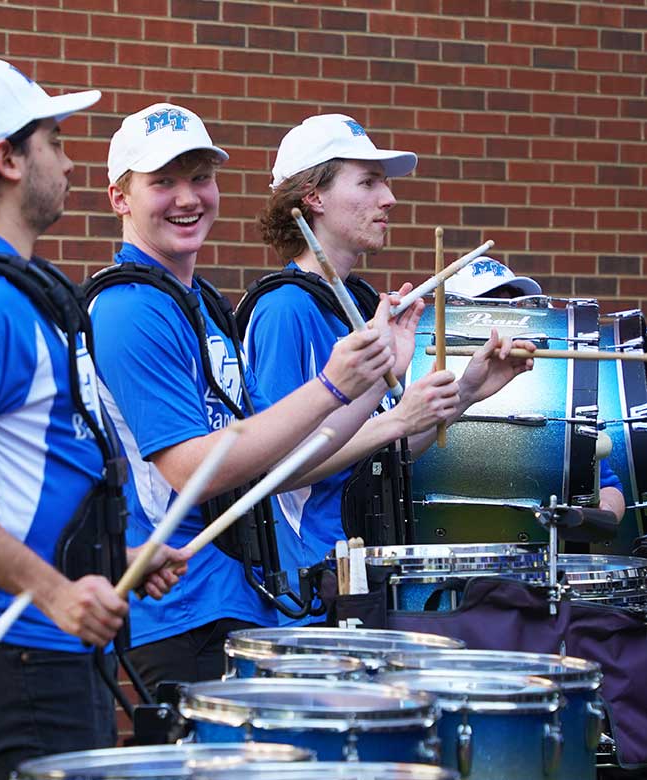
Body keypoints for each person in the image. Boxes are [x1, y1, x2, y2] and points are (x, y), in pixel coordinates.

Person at [0, 61, 185, 780]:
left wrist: (113, 559)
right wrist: (55, 590)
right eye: (54, 140)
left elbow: (34, 470)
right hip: (15, 653)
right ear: (8, 158)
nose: (70, 158)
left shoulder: (23, 295)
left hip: (53, 646)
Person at [86, 103, 404, 689]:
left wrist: (377, 380)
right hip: (184, 608)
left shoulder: (198, 301)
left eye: (200, 178)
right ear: (120, 199)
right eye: (163, 182)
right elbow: (191, 471)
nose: (188, 198)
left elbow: (283, 456)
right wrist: (335, 386)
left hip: (242, 595)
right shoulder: (130, 308)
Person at [243, 113, 536, 597]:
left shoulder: (360, 303)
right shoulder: (284, 309)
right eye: (368, 182)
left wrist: (464, 392)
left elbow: (374, 456)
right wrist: (398, 419)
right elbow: (274, 470)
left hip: (363, 573)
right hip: (308, 584)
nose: (390, 198)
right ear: (312, 197)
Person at [446, 256, 626, 519]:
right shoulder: (425, 380)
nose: (507, 321)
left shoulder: (550, 388)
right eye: (493, 304)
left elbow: (608, 485)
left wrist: (601, 515)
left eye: (513, 305)